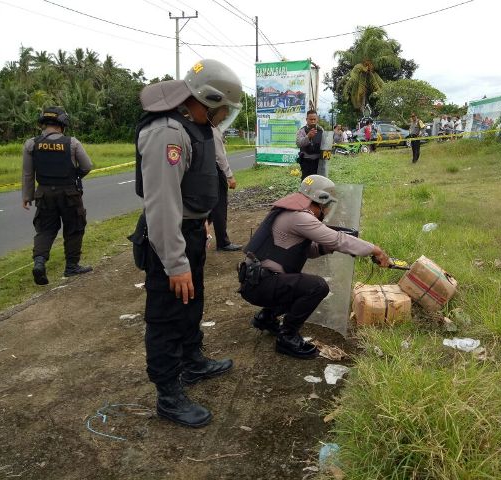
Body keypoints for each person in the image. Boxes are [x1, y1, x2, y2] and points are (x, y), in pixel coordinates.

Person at [134, 59, 242, 428]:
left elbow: (193, 188)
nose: (223, 115)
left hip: (190, 232)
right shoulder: (167, 133)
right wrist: (175, 263)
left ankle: (192, 362)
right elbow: (162, 205)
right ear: (205, 100)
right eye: (221, 109)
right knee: (166, 315)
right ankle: (168, 394)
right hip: (167, 238)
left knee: (192, 301)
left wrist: (201, 227)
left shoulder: (195, 127)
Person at [238, 175, 390, 359]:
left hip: (256, 282)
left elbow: (305, 250)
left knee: (295, 283)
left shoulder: (289, 211)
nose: (327, 210)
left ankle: (266, 318)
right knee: (316, 287)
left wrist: (328, 247)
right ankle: (287, 337)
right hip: (261, 285)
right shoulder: (300, 217)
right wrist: (376, 250)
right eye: (327, 205)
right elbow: (337, 239)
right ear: (321, 200)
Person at [22, 106, 93, 285]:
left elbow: (28, 174)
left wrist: (27, 196)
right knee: (74, 228)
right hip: (69, 193)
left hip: (44, 194)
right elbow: (87, 166)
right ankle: (71, 267)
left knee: (45, 230)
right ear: (62, 124)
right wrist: (75, 175)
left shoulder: (31, 144)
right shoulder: (72, 143)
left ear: (43, 124)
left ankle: (39, 263)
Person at [208, 114, 242, 252]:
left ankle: (205, 236)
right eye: (223, 113)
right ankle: (223, 242)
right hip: (216, 172)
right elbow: (220, 156)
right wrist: (229, 176)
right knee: (220, 207)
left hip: (205, 173)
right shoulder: (212, 130)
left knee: (209, 207)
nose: (223, 117)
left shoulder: (203, 128)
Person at [295, 110, 323, 181]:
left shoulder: (321, 130)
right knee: (307, 181)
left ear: (317, 119)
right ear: (307, 119)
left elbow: (325, 143)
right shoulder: (302, 131)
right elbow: (298, 143)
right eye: (311, 119)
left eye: (314, 119)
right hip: (306, 162)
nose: (313, 121)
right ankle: (305, 192)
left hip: (318, 161)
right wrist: (308, 136)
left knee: (318, 181)